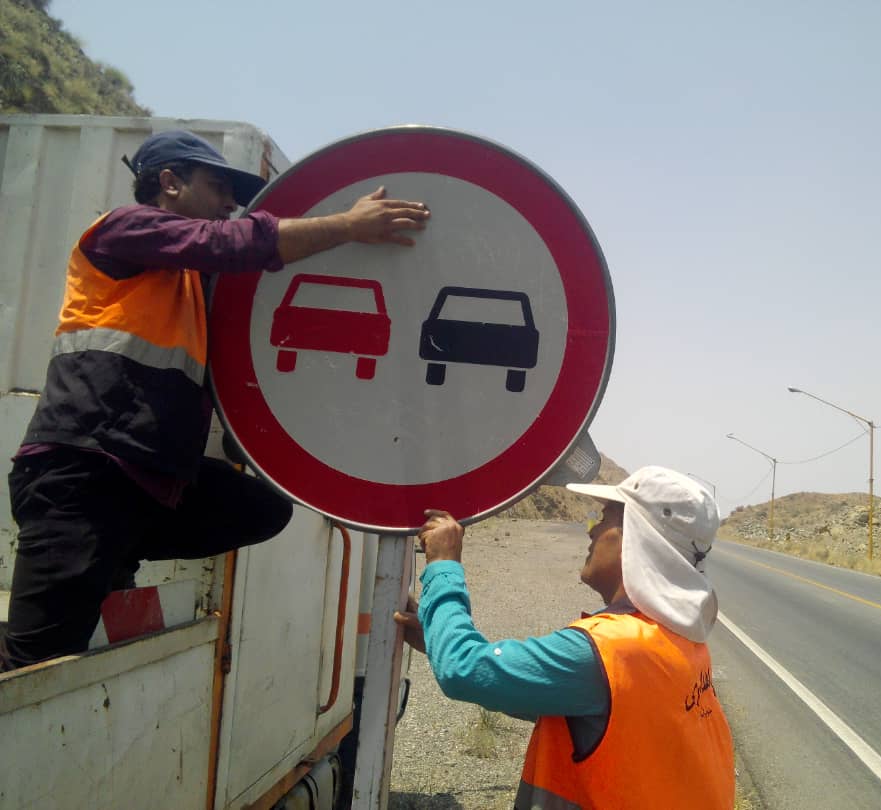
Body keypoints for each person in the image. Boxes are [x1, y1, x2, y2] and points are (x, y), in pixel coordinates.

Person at [1, 130, 430, 672]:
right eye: (217, 186)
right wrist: (347, 226)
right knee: (35, 673)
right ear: (168, 183)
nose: (230, 202)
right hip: (83, 472)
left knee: (262, 508)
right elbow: (231, 244)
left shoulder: (187, 290)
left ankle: (118, 547)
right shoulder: (119, 230)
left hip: (146, 482)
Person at [397, 466, 736, 809]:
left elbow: (463, 671)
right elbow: (600, 713)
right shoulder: (678, 641)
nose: (591, 531)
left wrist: (443, 565)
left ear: (636, 536)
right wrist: (439, 638)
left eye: (603, 518)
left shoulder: (611, 650)